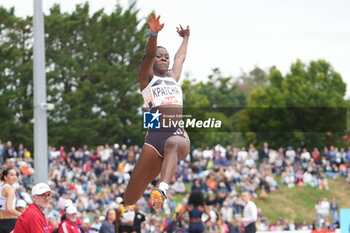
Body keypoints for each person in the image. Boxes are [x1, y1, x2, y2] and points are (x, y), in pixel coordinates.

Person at [123, 12, 190, 211]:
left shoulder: (173, 77)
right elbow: (150, 55)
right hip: (154, 138)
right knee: (130, 197)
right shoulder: (147, 80)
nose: (163, 59)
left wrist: (186, 37)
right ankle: (123, 215)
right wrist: (154, 35)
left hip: (176, 134)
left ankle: (161, 189)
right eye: (159, 56)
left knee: (173, 143)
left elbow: (180, 57)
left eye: (165, 57)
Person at [0, 168, 22, 233]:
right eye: (12, 175)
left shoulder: (1, 187)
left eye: (15, 175)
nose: (15, 177)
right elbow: (9, 209)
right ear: (5, 177)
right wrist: (22, 215)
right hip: (10, 223)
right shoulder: (10, 189)